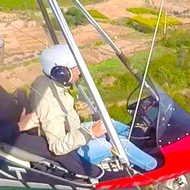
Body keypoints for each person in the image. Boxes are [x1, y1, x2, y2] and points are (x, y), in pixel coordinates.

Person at [30, 44, 159, 173]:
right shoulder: (50, 103)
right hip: (75, 152)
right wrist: (91, 132)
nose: (79, 72)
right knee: (119, 145)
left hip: (74, 131)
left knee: (110, 124)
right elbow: (57, 146)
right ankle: (155, 168)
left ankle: (136, 145)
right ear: (63, 74)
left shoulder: (47, 82)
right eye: (75, 69)